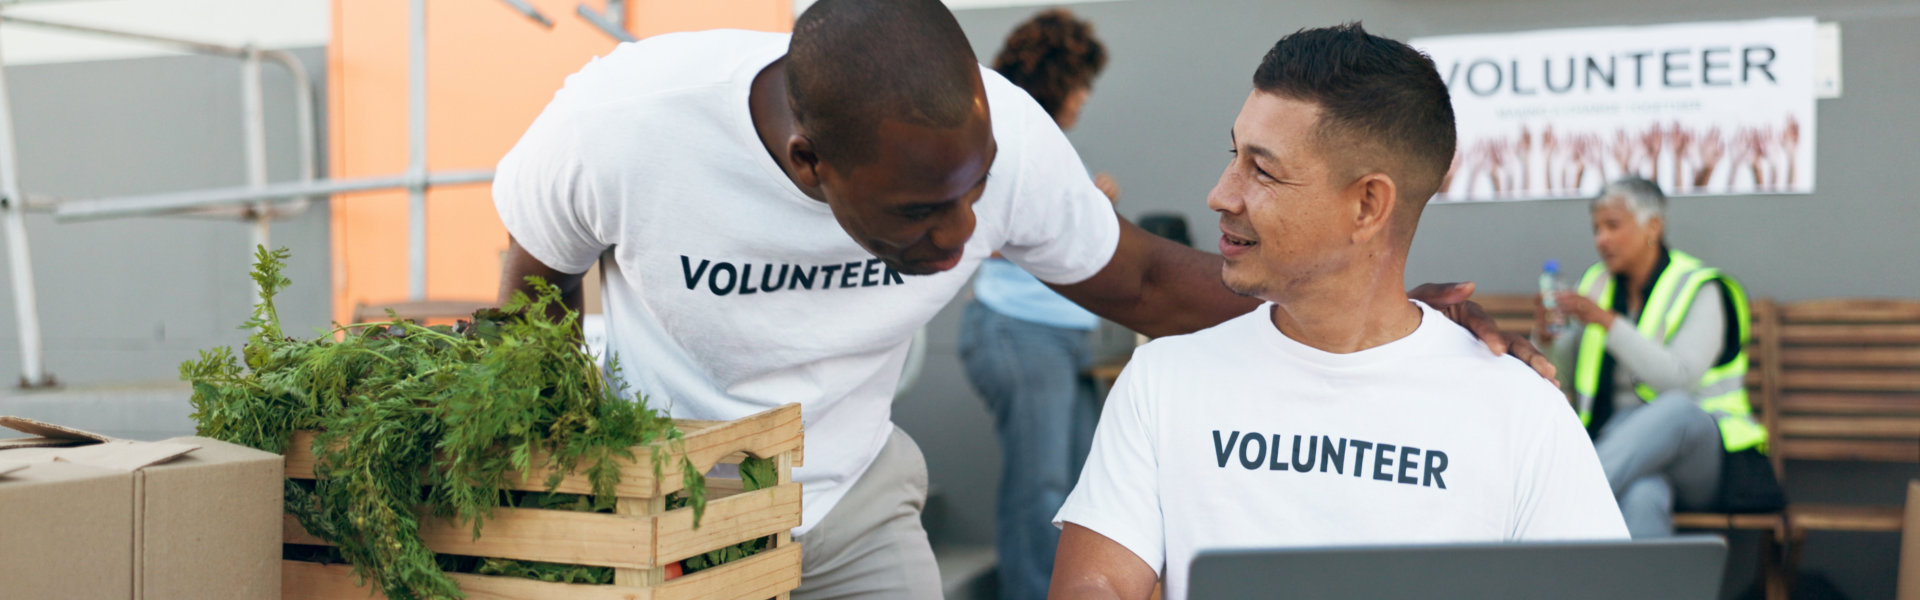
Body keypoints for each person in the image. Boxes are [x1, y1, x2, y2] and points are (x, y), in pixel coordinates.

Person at [492, 1, 1546, 596]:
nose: (960, 241)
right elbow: (527, 312)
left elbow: (1141, 281)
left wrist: (1384, 316)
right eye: (918, 213)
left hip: (852, 493)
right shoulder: (623, 129)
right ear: (812, 165)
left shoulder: (1000, 135)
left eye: (975, 193)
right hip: (673, 491)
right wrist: (558, 498)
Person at [1048, 24, 1627, 600]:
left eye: (1263, 170)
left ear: (1368, 205)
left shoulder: (1522, 411)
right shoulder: (1161, 381)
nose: (1222, 194)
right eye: (1234, 155)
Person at [956, 10, 1115, 599]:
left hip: (1057, 335)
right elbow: (978, 231)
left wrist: (1086, 205)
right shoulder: (999, 141)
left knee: (1076, 493)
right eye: (1081, 86)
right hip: (1019, 333)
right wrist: (1080, 210)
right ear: (1061, 82)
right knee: (1042, 489)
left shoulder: (1038, 143)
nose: (1082, 100)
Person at [1539, 176, 1766, 538]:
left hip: (1698, 453)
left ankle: (1557, 507)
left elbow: (1678, 379)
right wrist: (1549, 340)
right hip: (1621, 445)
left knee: (1677, 408)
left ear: (1653, 227)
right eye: (1596, 228)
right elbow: (1562, 378)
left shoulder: (1701, 287)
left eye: (1613, 226)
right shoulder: (1596, 282)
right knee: (1644, 494)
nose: (1602, 239)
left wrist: (1605, 321)